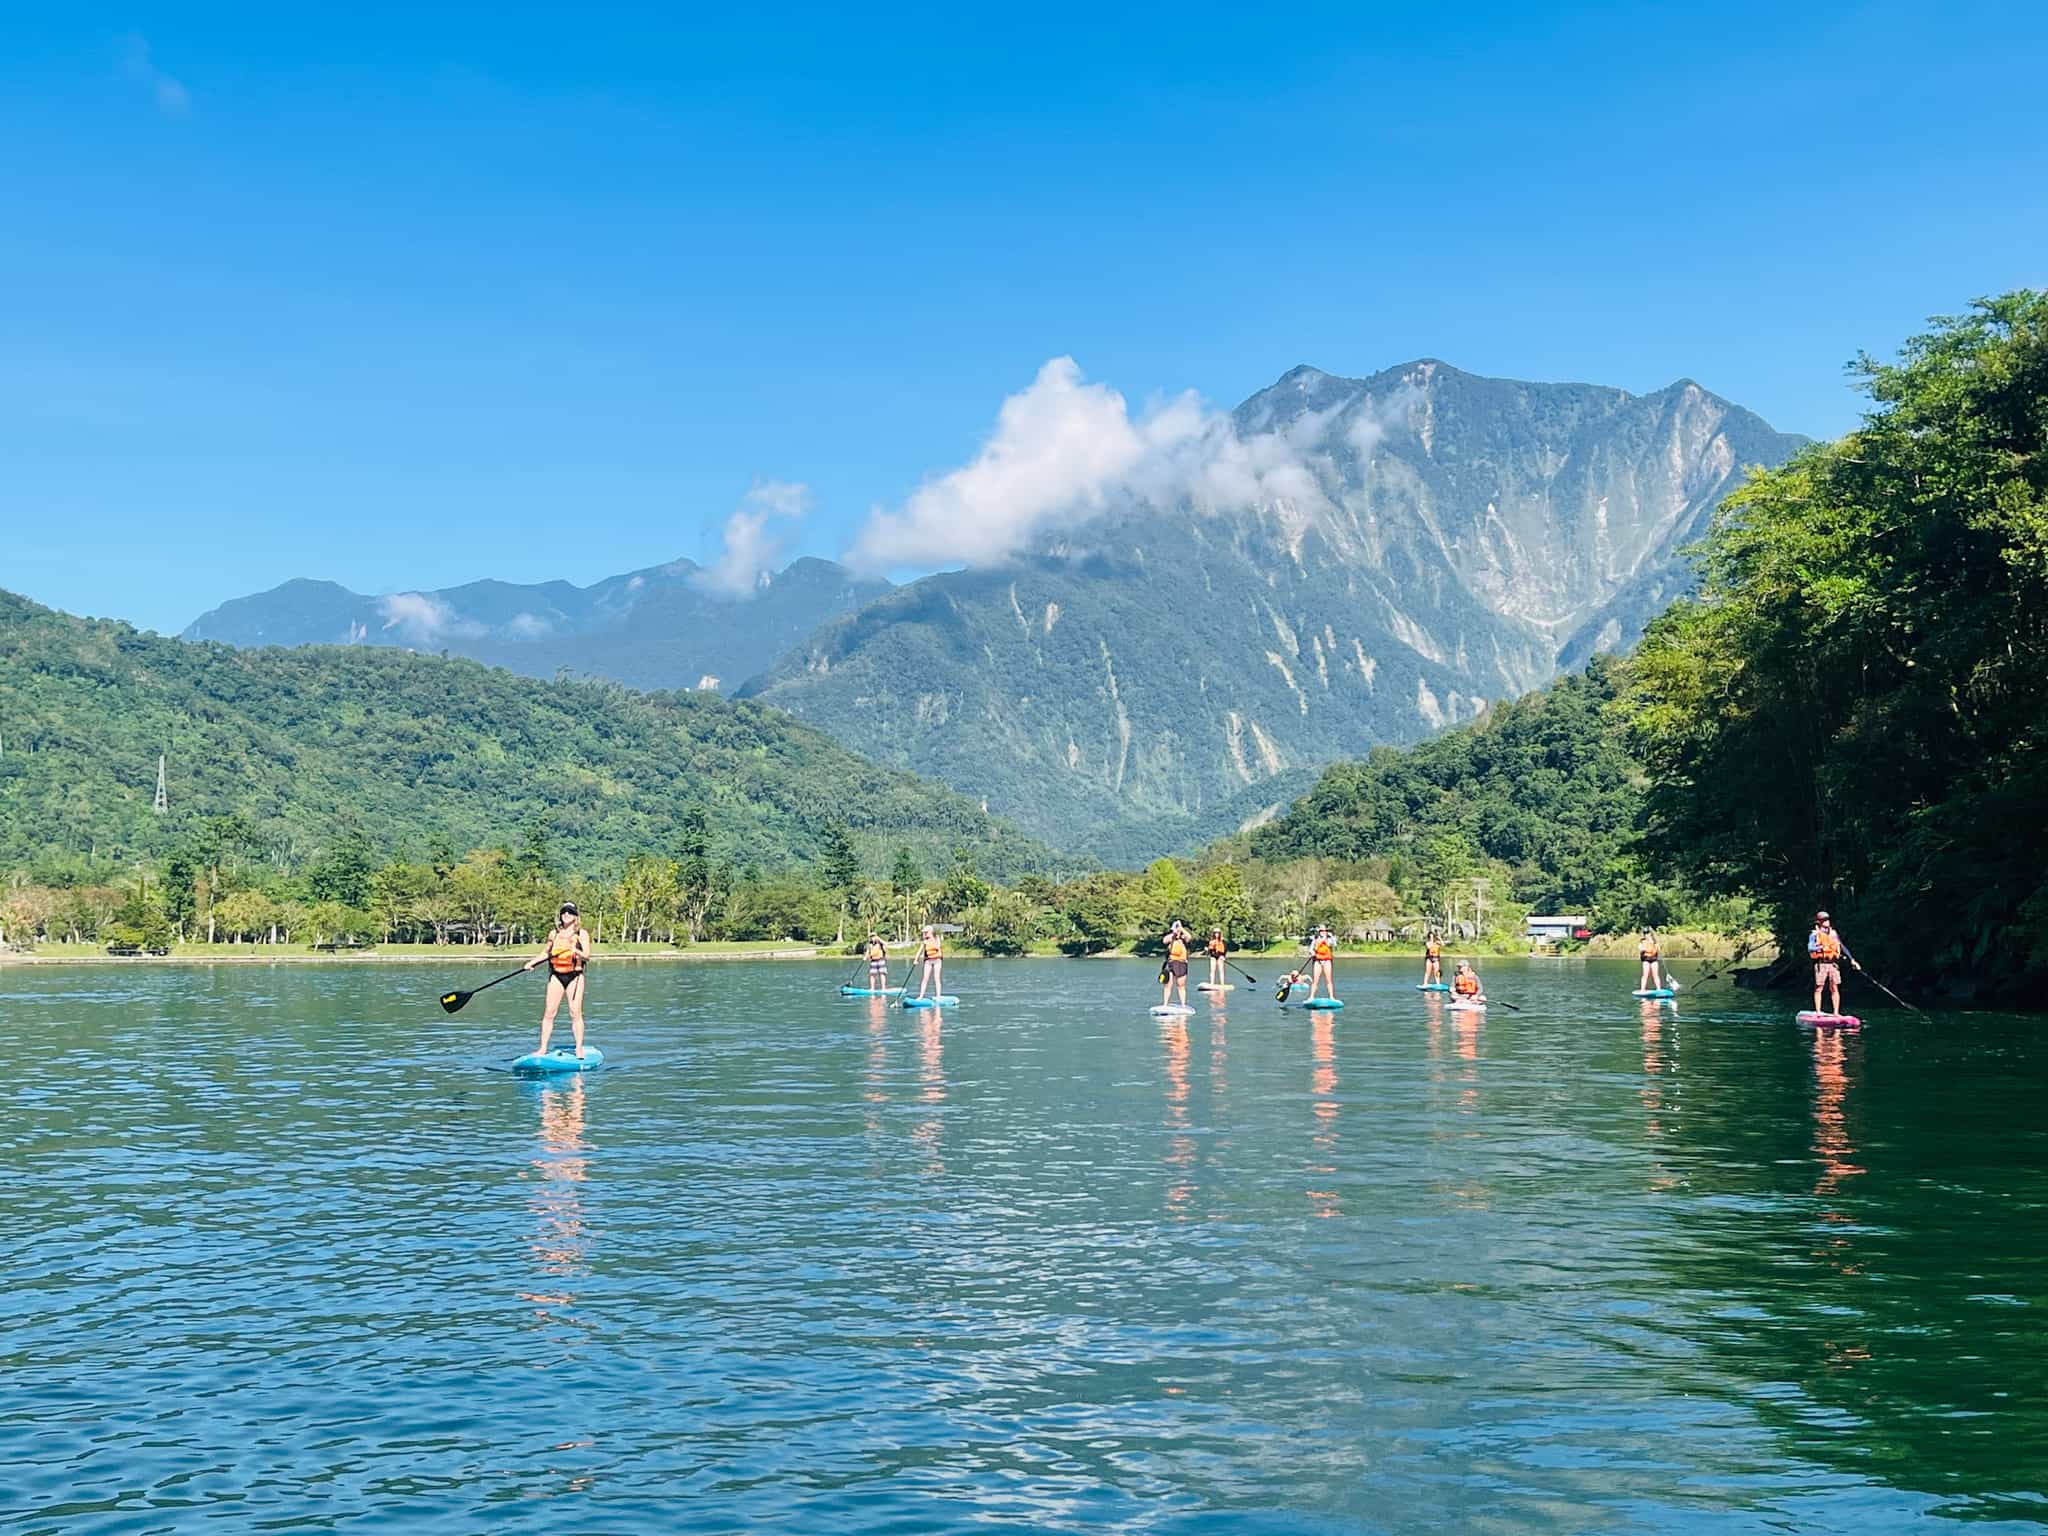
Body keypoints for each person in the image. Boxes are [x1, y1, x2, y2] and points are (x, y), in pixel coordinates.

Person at [522, 902, 592, 1058]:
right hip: (556, 975)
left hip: (575, 976)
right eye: (564, 912)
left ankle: (579, 1048)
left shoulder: (582, 934)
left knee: (575, 1013)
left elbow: (587, 955)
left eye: (571, 912)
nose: (567, 914)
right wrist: (531, 963)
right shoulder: (554, 934)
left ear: (576, 916)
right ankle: (542, 1048)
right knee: (549, 1013)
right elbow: (546, 953)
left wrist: (575, 950)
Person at [1808, 910, 1861, 1015]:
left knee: (1834, 987)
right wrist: (1821, 946)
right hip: (1821, 963)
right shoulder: (1814, 934)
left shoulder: (1833, 933)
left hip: (1833, 964)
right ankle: (1818, 1012)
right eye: (1823, 920)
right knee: (1819, 987)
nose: (1826, 921)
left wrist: (1852, 960)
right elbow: (1810, 948)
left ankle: (1836, 1013)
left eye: (1827, 919)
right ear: (1818, 922)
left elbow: (1842, 947)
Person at [1160, 921, 1192, 1009]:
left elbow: (1189, 937)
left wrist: (1181, 929)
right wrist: (1173, 933)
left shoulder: (1184, 938)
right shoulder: (1171, 938)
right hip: (1171, 963)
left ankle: (1183, 1005)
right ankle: (1165, 1004)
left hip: (1181, 963)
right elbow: (1164, 940)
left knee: (1181, 985)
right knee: (1168, 984)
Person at [913, 925, 944, 1001]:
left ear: (930, 932)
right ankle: (921, 996)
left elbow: (938, 946)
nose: (925, 934)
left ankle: (938, 996)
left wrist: (928, 943)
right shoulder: (924, 941)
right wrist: (916, 959)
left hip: (937, 960)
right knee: (925, 978)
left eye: (926, 932)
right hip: (928, 960)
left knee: (937, 978)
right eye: (924, 933)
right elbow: (920, 951)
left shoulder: (936, 938)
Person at [1307, 925, 1337, 1002]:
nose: (1323, 932)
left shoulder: (1329, 939)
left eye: (1325, 931)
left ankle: (1331, 997)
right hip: (1318, 960)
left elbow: (1333, 944)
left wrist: (1331, 937)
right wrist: (1312, 953)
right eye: (1322, 931)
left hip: (1327, 960)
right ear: (1319, 932)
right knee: (1315, 980)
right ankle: (1311, 997)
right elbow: (1312, 949)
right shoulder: (1316, 939)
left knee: (1329, 980)